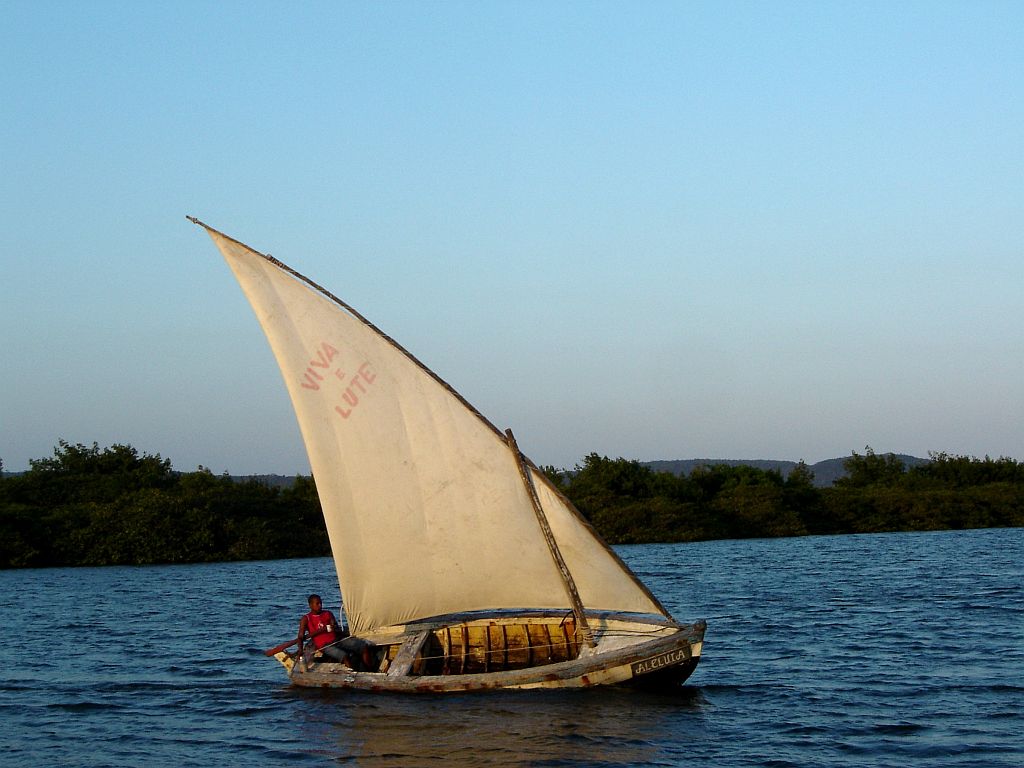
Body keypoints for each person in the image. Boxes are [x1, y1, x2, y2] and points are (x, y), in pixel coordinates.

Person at [296, 594, 374, 670]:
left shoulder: (328, 613)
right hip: (325, 646)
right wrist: (300, 650)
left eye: (320, 603)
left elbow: (337, 628)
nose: (320, 605)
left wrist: (335, 627)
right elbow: (300, 636)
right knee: (344, 656)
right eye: (317, 604)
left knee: (363, 646)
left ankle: (370, 670)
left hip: (337, 640)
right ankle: (353, 673)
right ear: (310, 605)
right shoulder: (306, 618)